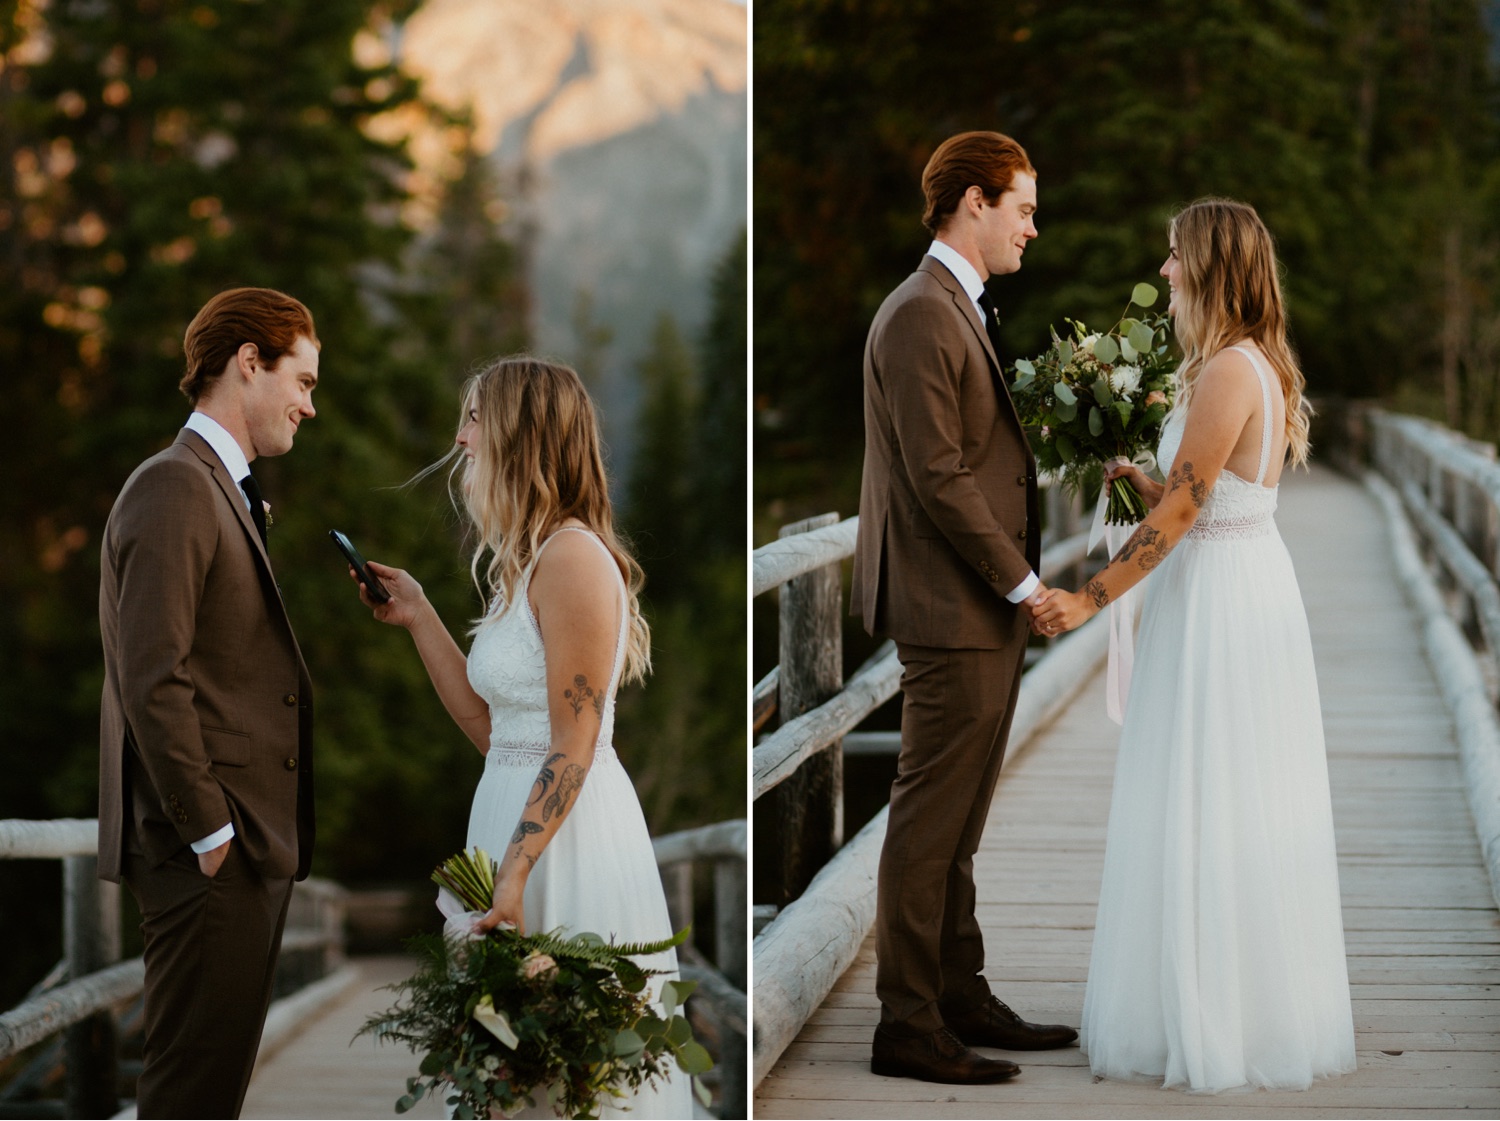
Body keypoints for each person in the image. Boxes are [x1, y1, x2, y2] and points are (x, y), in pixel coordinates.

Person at [1032, 198, 1357, 1091]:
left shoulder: (1224, 372)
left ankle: (1213, 1010)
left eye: (1175, 257)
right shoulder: (1251, 364)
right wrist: (1146, 477)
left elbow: (1182, 515)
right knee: (1234, 789)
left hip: (1219, 598)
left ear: (1209, 266)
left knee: (1206, 785)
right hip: (1244, 583)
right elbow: (1196, 491)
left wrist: (1088, 598)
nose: (1165, 272)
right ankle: (1244, 999)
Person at [353, 356, 691, 1119]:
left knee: (569, 1074)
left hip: (561, 841)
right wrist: (419, 618)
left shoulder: (572, 557)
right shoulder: (521, 563)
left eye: (475, 419)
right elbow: (491, 728)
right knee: (512, 1074)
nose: (462, 438)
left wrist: (516, 872)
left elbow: (574, 739)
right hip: (510, 821)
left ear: (520, 434)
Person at [849, 130, 1078, 1086]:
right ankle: (906, 1021)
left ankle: (958, 990)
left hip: (971, 604)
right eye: (1022, 206)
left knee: (963, 815)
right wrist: (1026, 585)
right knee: (930, 814)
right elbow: (938, 475)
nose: (1033, 226)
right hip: (949, 605)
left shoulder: (956, 306)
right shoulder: (918, 315)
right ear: (973, 203)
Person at [97, 287, 320, 1118]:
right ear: (248, 362)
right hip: (208, 854)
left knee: (211, 1094)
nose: (309, 405)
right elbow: (155, 675)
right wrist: (211, 831)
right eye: (301, 380)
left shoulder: (224, 488)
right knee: (190, 1094)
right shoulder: (175, 486)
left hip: (241, 850)